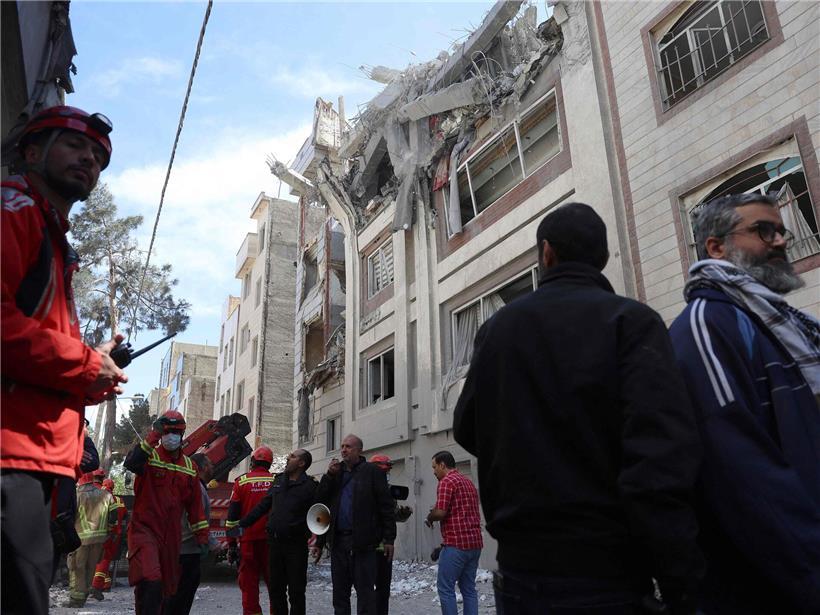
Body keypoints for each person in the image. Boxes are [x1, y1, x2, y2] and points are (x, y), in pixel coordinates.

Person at [453, 202, 704, 614]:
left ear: (546, 253)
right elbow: (661, 460)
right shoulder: (634, 322)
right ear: (602, 259)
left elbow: (466, 427)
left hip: (521, 574)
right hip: (612, 576)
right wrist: (682, 582)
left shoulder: (498, 329)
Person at [1, 105, 127, 615]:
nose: (89, 161)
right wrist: (81, 364)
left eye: (98, 157)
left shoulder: (52, 239)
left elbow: (35, 351)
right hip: (12, 455)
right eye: (76, 147)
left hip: (37, 459)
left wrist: (94, 373)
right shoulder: (15, 211)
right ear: (32, 151)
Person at [669, 193, 820, 614]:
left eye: (781, 230)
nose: (779, 241)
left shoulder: (782, 322)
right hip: (770, 583)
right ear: (716, 247)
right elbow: (740, 469)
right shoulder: (706, 324)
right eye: (762, 230)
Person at [124, 410, 209, 615]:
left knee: (167, 588)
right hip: (145, 530)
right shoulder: (149, 455)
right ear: (161, 432)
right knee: (151, 578)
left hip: (171, 536)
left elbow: (195, 506)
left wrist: (202, 537)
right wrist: (153, 435)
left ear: (182, 434)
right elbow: (132, 463)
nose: (171, 436)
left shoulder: (189, 467)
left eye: (176, 432)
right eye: (167, 431)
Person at [315, 435, 397, 615]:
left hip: (364, 544)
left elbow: (386, 507)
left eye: (349, 447)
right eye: (342, 446)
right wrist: (329, 476)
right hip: (339, 543)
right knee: (340, 595)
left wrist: (389, 538)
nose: (344, 450)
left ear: (359, 450)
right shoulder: (336, 473)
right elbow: (322, 504)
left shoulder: (372, 472)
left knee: (365, 595)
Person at [232, 448, 317, 615]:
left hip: (295, 546)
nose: (288, 458)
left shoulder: (310, 486)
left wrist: (318, 540)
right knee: (276, 590)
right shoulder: (278, 481)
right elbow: (264, 506)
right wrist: (242, 524)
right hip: (275, 544)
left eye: (292, 456)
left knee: (296, 592)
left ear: (301, 463)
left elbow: (319, 513)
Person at [425, 451, 482, 615]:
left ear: (442, 465)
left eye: (434, 467)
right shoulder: (468, 482)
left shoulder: (446, 482)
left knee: (445, 588)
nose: (434, 471)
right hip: (475, 544)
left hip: (456, 544)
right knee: (469, 590)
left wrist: (430, 516)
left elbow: (441, 512)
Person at [162, 452, 218, 615]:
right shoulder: (197, 489)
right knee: (179, 600)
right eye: (210, 464)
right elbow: (195, 520)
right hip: (186, 553)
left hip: (178, 551)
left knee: (173, 599)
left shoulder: (190, 486)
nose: (213, 467)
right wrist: (212, 543)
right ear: (204, 468)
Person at [225, 446, 275, 615]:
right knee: (275, 587)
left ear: (252, 462)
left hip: (248, 542)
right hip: (272, 542)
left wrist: (231, 544)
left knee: (249, 587)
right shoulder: (277, 482)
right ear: (270, 463)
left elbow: (232, 517)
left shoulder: (242, 481)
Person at [65, 469, 117, 607]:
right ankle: (84, 594)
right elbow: (114, 517)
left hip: (80, 539)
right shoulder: (106, 494)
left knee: (77, 568)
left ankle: (76, 600)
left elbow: (68, 517)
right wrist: (107, 532)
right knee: (91, 567)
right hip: (99, 539)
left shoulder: (76, 495)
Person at [91, 478, 128, 596]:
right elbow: (126, 516)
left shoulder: (99, 497)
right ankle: (106, 584)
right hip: (115, 535)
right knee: (106, 558)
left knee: (102, 559)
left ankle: (96, 585)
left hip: (102, 533)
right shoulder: (119, 500)